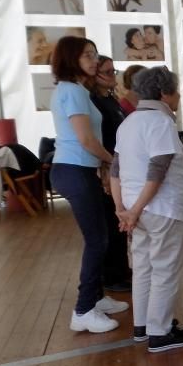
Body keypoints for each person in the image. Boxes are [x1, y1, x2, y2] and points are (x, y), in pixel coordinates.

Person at [111, 67, 183, 352]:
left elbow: (115, 169)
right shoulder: (160, 123)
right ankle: (160, 332)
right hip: (160, 209)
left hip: (138, 209)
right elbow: (157, 171)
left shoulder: (128, 123)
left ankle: (142, 326)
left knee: (144, 267)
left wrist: (121, 208)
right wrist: (133, 210)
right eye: (175, 91)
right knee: (164, 269)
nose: (178, 96)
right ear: (164, 93)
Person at [49, 36, 128, 334]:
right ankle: (83, 310)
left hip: (80, 169)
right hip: (73, 170)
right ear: (71, 60)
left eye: (95, 54)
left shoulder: (76, 90)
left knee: (101, 236)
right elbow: (85, 139)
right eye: (88, 56)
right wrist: (111, 162)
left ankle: (95, 299)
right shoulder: (72, 91)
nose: (95, 61)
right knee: (97, 240)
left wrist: (103, 165)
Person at [91, 56, 132, 292]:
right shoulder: (95, 101)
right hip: (108, 166)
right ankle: (112, 275)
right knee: (110, 220)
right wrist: (106, 165)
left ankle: (121, 269)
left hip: (118, 164)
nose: (113, 75)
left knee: (118, 219)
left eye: (113, 71)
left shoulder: (112, 100)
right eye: (107, 72)